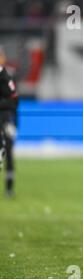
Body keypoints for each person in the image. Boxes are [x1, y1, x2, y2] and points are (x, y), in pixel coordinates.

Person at [0, 47, 19, 198]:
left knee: (8, 152)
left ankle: (9, 187)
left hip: (6, 120)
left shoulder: (7, 77)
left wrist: (15, 123)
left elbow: (14, 100)